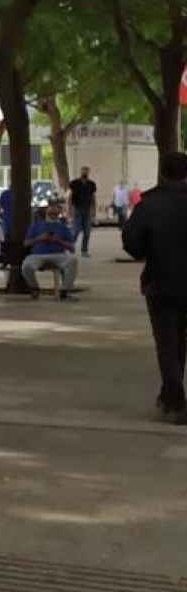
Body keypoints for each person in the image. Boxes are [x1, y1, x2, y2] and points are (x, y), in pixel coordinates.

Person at [122, 152, 187, 425]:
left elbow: (132, 243)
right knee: (179, 341)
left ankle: (174, 399)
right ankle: (170, 392)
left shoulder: (149, 204)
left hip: (161, 282)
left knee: (168, 342)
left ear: (163, 173)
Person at [21, 203, 81, 300]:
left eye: (55, 212)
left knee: (72, 261)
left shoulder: (63, 227)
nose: (53, 213)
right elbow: (26, 243)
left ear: (58, 213)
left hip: (58, 255)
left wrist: (59, 241)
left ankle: (64, 290)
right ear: (46, 212)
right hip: (38, 255)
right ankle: (34, 288)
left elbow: (72, 248)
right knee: (26, 266)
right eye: (50, 211)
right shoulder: (36, 225)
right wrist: (39, 238)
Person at [69, 166, 98, 257]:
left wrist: (94, 210)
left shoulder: (92, 184)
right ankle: (70, 246)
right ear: (81, 172)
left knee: (87, 231)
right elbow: (70, 197)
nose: (84, 172)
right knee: (76, 230)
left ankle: (84, 251)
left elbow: (93, 197)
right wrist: (70, 209)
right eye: (83, 171)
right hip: (77, 209)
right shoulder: (74, 183)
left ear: (88, 172)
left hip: (87, 209)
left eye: (86, 171)